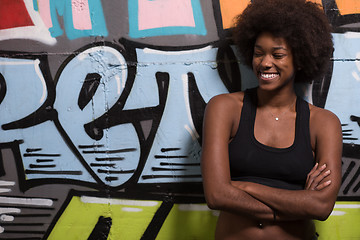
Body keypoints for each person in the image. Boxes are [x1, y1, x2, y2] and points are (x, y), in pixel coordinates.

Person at [200, 0, 343, 239]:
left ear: (300, 58)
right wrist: (297, 204)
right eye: (258, 53)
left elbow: (321, 206)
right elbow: (216, 196)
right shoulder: (224, 108)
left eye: (278, 54)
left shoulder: (323, 123)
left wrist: (244, 186)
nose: (265, 62)